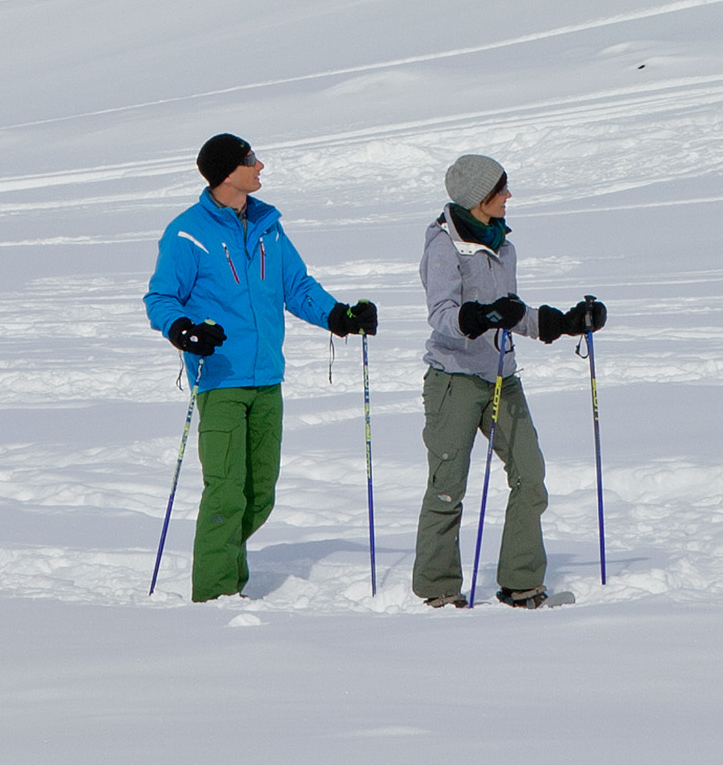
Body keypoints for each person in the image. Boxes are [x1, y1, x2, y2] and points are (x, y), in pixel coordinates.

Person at [142, 131, 370, 602]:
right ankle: (216, 594)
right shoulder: (187, 232)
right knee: (226, 492)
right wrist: (183, 328)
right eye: (251, 159)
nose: (260, 165)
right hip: (220, 379)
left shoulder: (268, 224)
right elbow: (161, 297)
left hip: (267, 378)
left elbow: (297, 286)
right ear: (228, 171)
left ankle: (226, 574)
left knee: (259, 495)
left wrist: (338, 315)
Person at [411, 154, 603, 610]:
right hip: (454, 380)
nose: (509, 196)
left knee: (530, 476)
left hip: (502, 378)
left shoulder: (504, 245)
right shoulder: (444, 246)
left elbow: (512, 312)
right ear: (478, 197)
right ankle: (438, 588)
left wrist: (566, 322)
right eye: (501, 189)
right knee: (447, 484)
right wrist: (480, 317)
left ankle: (521, 582)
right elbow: (442, 317)